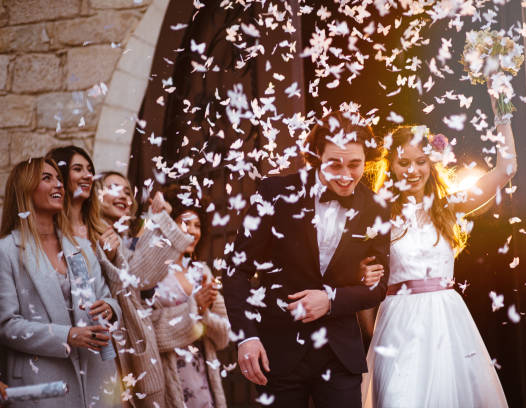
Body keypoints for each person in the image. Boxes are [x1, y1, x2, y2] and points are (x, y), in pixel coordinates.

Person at [222, 110, 390, 407]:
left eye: (355, 164)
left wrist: (331, 300)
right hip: (278, 353)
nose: (346, 175)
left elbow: (378, 286)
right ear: (316, 156)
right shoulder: (274, 192)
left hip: (340, 355)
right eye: (334, 164)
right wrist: (246, 337)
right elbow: (237, 270)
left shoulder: (376, 208)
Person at [362, 88, 516, 407]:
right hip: (398, 322)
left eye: (421, 161)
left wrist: (500, 106)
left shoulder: (448, 208)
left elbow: (506, 170)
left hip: (445, 319)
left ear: (431, 164)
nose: (413, 170)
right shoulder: (375, 216)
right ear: (390, 166)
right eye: (403, 162)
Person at [0, 157, 122, 408]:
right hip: (44, 383)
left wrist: (110, 309)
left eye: (58, 178)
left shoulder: (82, 248)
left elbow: (108, 297)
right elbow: (7, 325)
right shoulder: (6, 252)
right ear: (25, 189)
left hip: (97, 378)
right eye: (47, 178)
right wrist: (67, 335)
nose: (59, 185)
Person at [94, 171, 205, 407]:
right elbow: (136, 280)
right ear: (95, 194)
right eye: (115, 187)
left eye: (127, 191)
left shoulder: (129, 241)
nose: (124, 194)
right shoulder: (90, 238)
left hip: (150, 363)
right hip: (107, 356)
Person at [154, 187, 230, 408]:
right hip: (167, 377)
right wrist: (193, 306)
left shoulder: (201, 271)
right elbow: (150, 332)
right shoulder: (151, 273)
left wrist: (203, 313)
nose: (193, 231)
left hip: (203, 381)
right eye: (185, 223)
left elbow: (224, 335)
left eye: (198, 225)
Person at [46, 146, 107, 245]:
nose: (88, 176)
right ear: (60, 176)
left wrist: (111, 257)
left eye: (90, 170)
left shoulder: (102, 229)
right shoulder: (47, 229)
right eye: (78, 169)